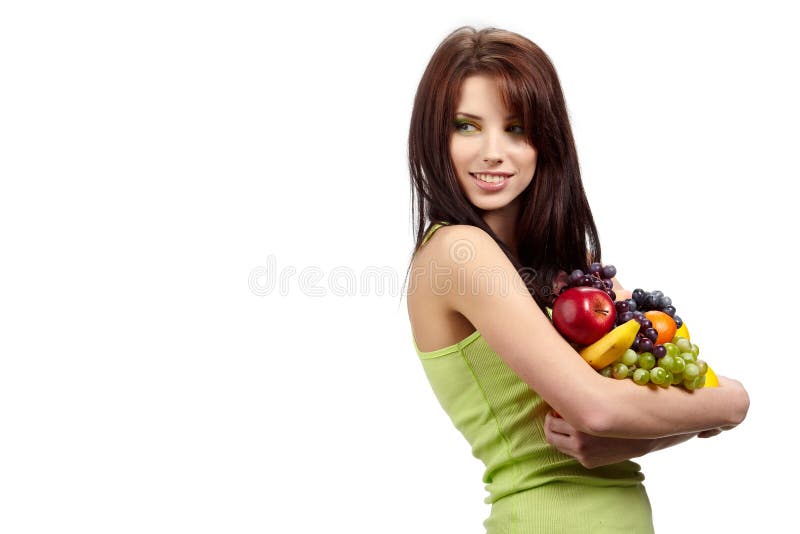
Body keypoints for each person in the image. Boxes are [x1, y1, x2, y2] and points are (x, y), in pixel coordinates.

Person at [404, 26, 750, 533]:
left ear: (547, 142)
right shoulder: (460, 252)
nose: (493, 152)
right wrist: (735, 403)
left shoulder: (566, 262)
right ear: (435, 134)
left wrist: (647, 438)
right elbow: (600, 409)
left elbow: (671, 385)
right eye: (467, 126)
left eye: (517, 129)